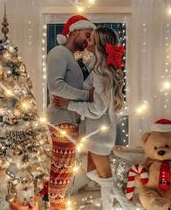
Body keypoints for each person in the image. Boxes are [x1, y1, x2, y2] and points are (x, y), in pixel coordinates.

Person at [53, 26, 136, 209]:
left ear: (98, 44)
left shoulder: (101, 74)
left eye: (91, 39)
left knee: (106, 179)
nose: (87, 41)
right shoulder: (101, 69)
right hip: (98, 131)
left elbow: (97, 109)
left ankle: (121, 206)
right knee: (92, 173)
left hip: (100, 132)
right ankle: (126, 205)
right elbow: (93, 76)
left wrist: (69, 104)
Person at [46, 15, 96, 210]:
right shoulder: (59, 52)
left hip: (68, 119)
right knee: (61, 170)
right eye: (86, 34)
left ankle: (58, 206)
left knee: (64, 170)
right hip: (61, 119)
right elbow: (55, 86)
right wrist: (86, 96)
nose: (88, 40)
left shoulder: (73, 58)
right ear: (74, 31)